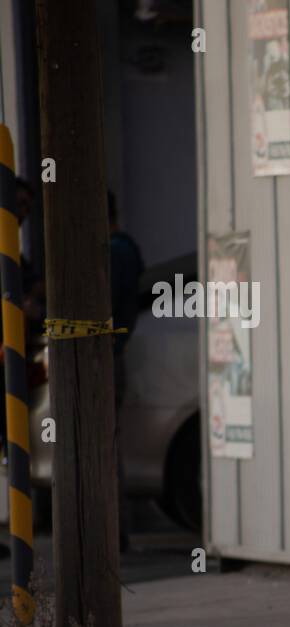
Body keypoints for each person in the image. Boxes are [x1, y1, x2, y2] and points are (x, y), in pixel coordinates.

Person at [108, 191, 144, 551]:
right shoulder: (123, 250)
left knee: (104, 444)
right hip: (108, 355)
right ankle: (113, 531)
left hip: (105, 357)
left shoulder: (117, 252)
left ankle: (112, 532)